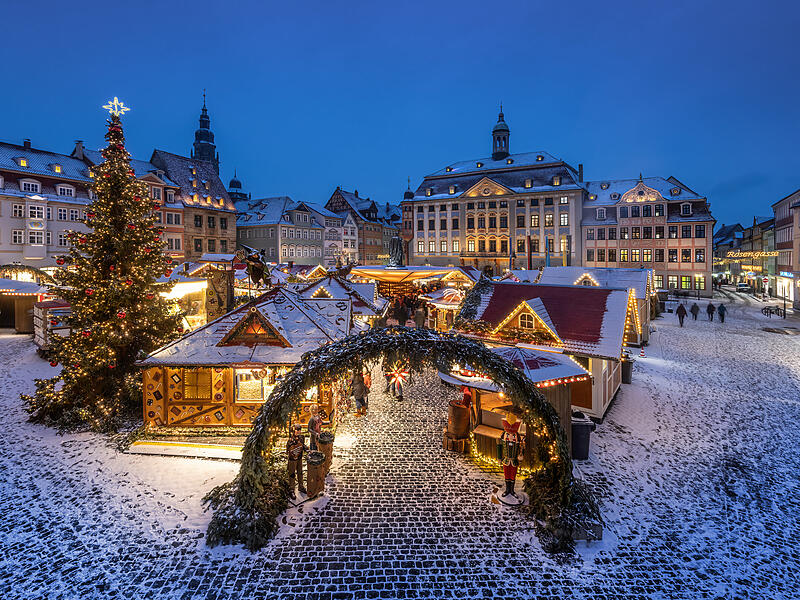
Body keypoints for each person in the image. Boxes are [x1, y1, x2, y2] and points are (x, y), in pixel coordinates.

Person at [286, 424, 308, 499]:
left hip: (299, 458)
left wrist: (306, 449)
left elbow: (303, 445)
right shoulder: (290, 440)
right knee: (292, 474)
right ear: (293, 431)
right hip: (292, 460)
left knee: (300, 472)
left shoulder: (302, 437)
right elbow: (288, 450)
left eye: (299, 430)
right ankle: (291, 489)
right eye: (297, 430)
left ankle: (301, 486)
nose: (299, 431)